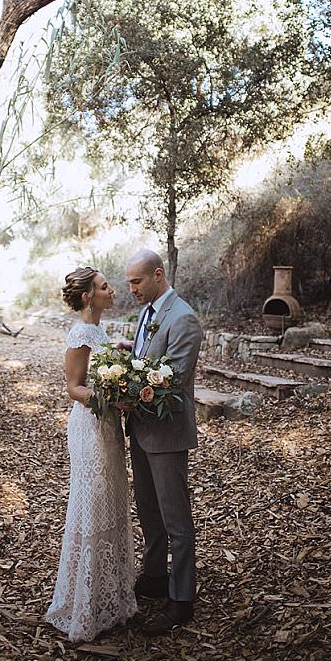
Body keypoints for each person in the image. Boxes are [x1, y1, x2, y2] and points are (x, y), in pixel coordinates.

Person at [45, 266, 138, 643]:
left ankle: (111, 599)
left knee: (112, 502)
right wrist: (112, 397)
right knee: (93, 504)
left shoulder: (97, 331)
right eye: (103, 287)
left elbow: (99, 366)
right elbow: (74, 387)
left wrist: (116, 353)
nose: (112, 290)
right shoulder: (80, 332)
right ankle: (83, 605)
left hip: (108, 427)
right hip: (90, 428)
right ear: (88, 297)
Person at [124, 248, 203, 635]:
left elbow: (170, 384)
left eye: (136, 282)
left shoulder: (184, 318)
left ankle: (182, 597)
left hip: (167, 432)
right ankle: (155, 576)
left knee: (175, 517)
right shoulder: (147, 312)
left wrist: (121, 389)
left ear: (158, 275)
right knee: (148, 511)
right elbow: (147, 362)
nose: (132, 290)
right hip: (140, 430)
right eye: (129, 283)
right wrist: (128, 359)